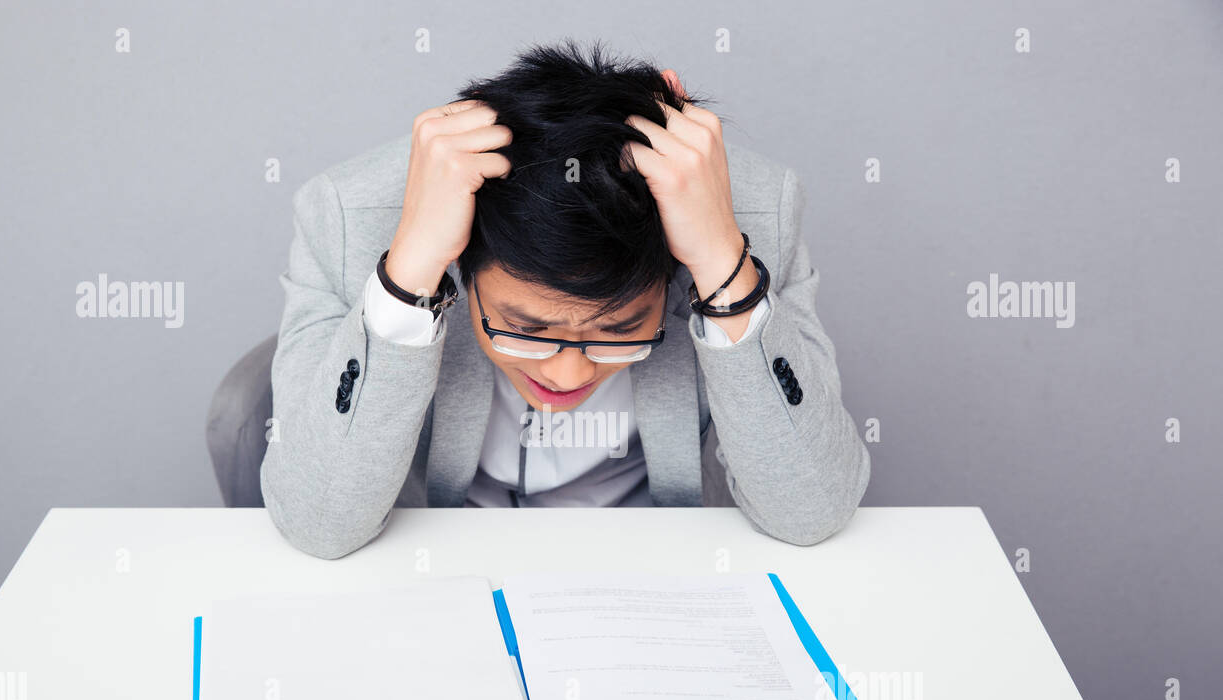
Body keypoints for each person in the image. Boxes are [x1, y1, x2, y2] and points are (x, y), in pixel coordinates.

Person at [261, 39, 869, 558]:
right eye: (524, 326)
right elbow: (319, 523)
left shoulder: (756, 215)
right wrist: (410, 273)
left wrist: (720, 262)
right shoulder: (347, 216)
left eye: (620, 330)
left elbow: (810, 512)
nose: (568, 370)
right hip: (438, 565)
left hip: (656, 559)